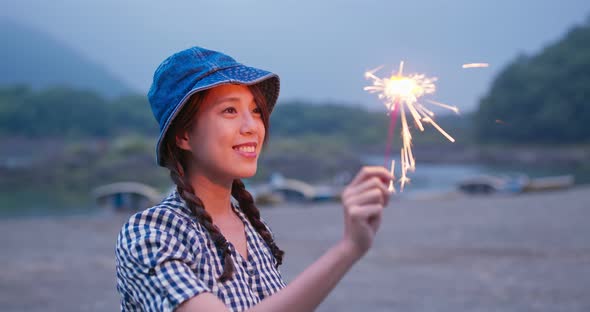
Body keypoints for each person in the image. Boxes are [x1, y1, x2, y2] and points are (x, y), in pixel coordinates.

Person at [115, 46, 392, 312]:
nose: (252, 127)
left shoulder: (252, 228)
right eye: (230, 111)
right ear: (183, 136)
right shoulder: (150, 234)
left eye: (256, 110)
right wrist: (349, 248)